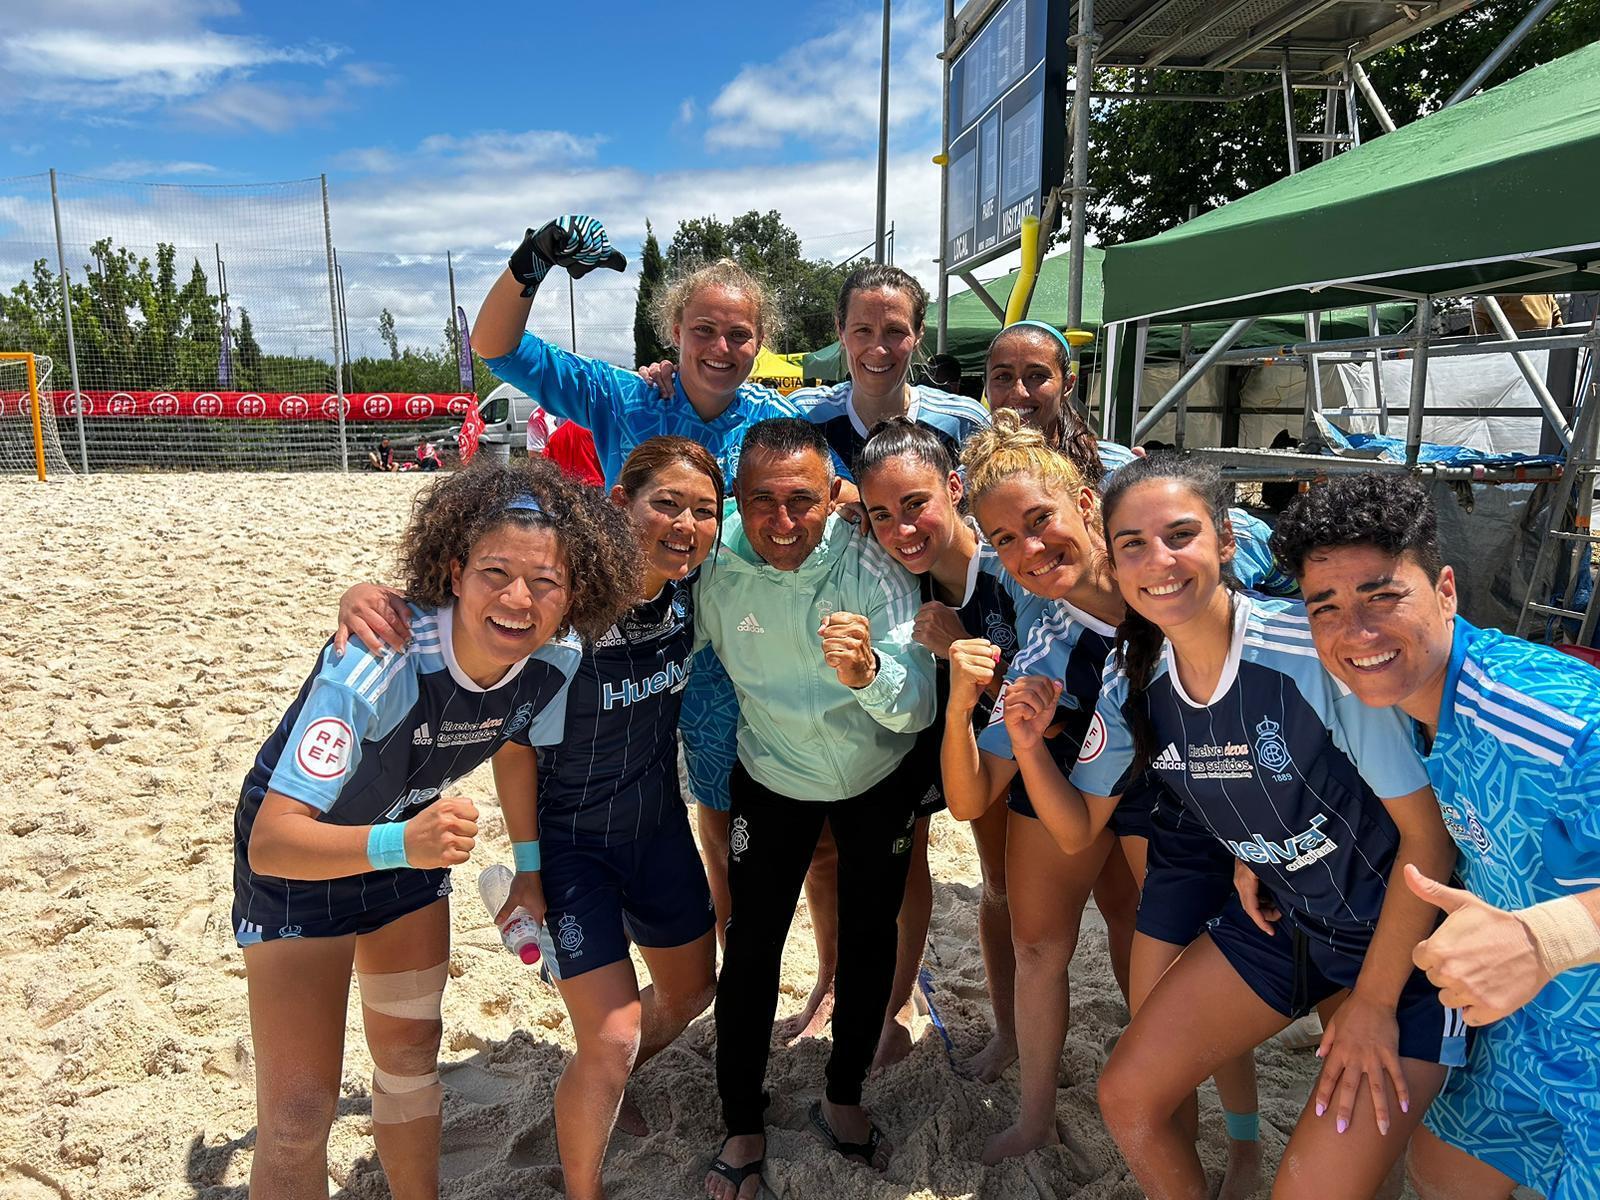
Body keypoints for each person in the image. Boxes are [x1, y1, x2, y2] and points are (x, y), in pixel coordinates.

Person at [1004, 451, 1463, 1199]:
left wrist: (1377, 1002)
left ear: (1226, 540)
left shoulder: (1312, 651)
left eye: (1181, 535)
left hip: (1401, 947)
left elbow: (1429, 838)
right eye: (1134, 544)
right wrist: (1028, 747)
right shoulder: (1132, 677)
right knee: (1128, 1098)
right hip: (1287, 918)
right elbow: (1077, 830)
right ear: (1113, 562)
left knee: (1327, 1179)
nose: (1159, 560)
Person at [232, 459, 638, 1199]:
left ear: (575, 593)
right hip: (307, 864)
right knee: (296, 1116)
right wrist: (401, 843)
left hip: (407, 855)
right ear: (454, 571)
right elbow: (273, 840)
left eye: (545, 581)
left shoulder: (557, 657)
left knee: (411, 1064)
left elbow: (513, 743)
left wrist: (528, 868)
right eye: (494, 572)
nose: (518, 599)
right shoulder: (379, 660)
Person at [337, 438, 724, 1200]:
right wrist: (529, 869)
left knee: (690, 992)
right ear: (621, 504)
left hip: (657, 831)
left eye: (703, 511)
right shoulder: (560, 609)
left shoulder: (693, 591)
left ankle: (598, 1080)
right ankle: (586, 1177)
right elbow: (508, 737)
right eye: (666, 504)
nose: (684, 525)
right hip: (572, 844)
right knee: (612, 1036)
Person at [1270, 472, 1600, 1200]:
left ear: (1446, 591)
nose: (1356, 633)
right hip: (1515, 1035)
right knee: (1441, 1175)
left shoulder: (1552, 719)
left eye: (1382, 596)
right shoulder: (1396, 708)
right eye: (1327, 607)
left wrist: (1546, 938)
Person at [473, 214, 800, 932]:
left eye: (739, 334)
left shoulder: (774, 422)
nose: (720, 348)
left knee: (722, 819)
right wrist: (532, 261)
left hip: (722, 649)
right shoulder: (624, 398)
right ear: (674, 331)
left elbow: (830, 484)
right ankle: (570, 927)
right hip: (619, 644)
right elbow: (496, 348)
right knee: (610, 801)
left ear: (760, 342)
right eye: (704, 330)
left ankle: (723, 955)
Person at [697, 418, 934, 1200]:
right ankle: (742, 1118)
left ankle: (844, 1095)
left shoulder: (871, 563)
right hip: (771, 773)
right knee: (751, 944)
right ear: (736, 498)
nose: (782, 520)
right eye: (761, 500)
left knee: (870, 937)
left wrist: (869, 674)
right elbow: (630, 611)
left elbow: (919, 704)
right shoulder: (715, 566)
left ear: (834, 496)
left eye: (801, 499)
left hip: (877, 774)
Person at [853, 416, 1048, 1075]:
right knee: (997, 886)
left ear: (955, 488)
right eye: (882, 514)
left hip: (1054, 753)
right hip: (976, 750)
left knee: (1052, 910)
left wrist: (960, 647)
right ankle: (1009, 1033)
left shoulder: (1010, 564)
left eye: (916, 505)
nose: (901, 528)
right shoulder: (893, 572)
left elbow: (1055, 687)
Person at [544, 418, 603, 487]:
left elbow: (544, 468)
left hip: (563, 489)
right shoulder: (602, 429)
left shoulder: (555, 436)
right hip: (596, 488)